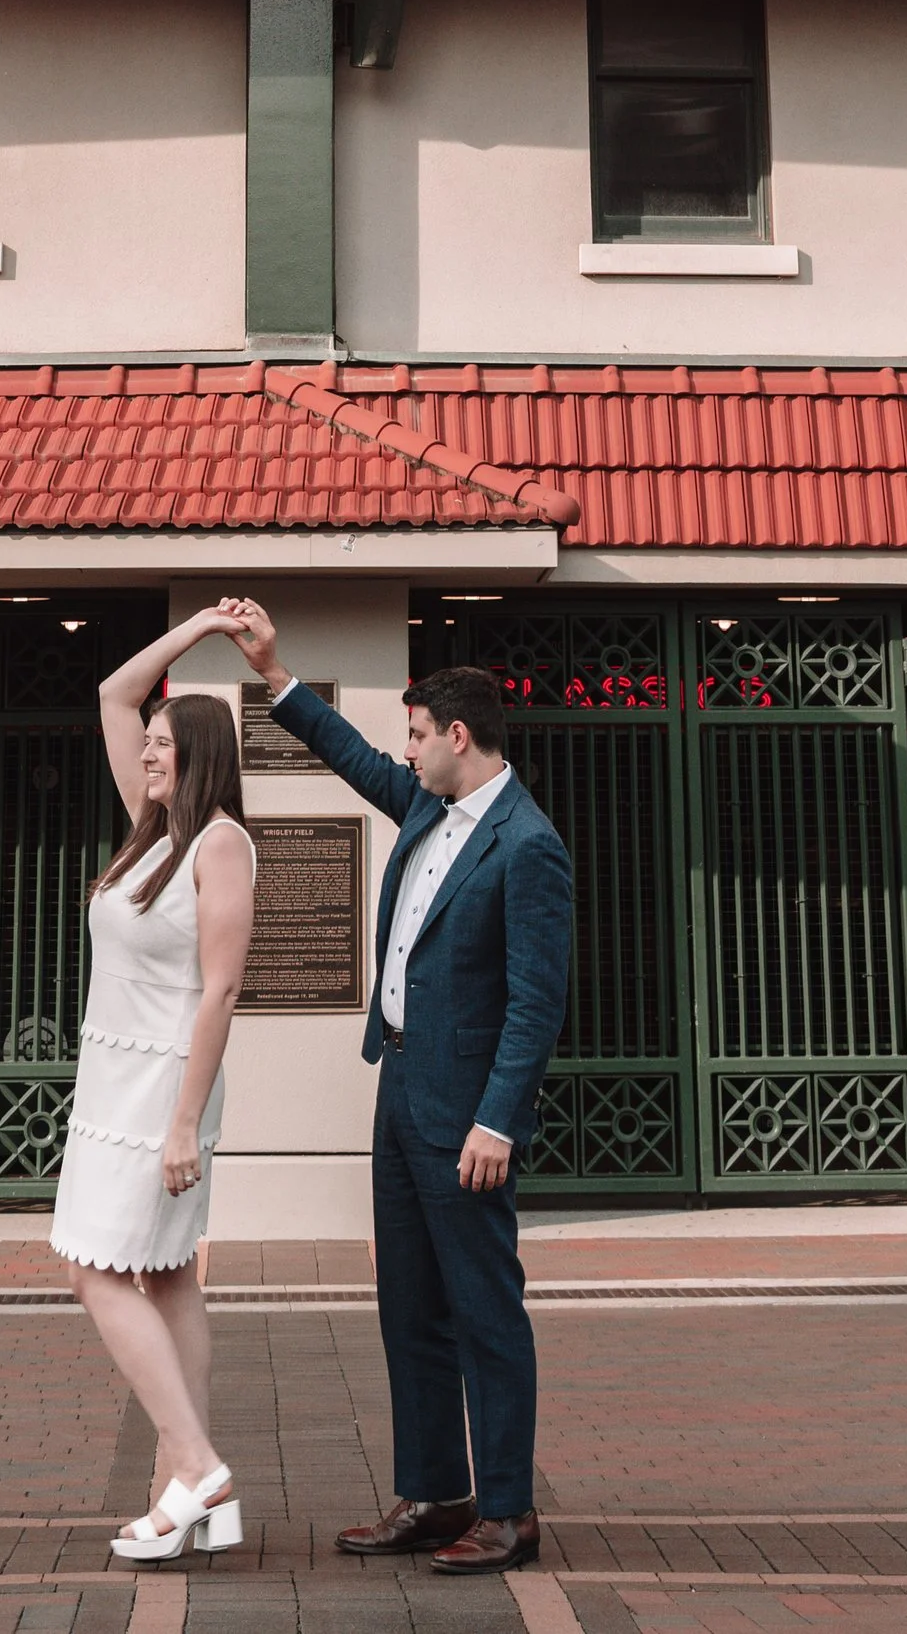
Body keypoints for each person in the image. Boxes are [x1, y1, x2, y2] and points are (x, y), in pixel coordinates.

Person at [217, 599, 571, 1574]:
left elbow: (536, 1004)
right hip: (401, 1087)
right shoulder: (427, 805)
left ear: (459, 735)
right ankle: (433, 1492)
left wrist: (499, 1118)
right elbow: (353, 759)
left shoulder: (527, 847)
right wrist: (275, 672)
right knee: (408, 1306)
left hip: (467, 1115)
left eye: (416, 734)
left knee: (484, 1309)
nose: (403, 751)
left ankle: (506, 1510)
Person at [50, 611, 259, 1567]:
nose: (149, 757)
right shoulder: (149, 830)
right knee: (168, 1273)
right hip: (112, 1080)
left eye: (167, 748)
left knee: (98, 1271)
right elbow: (113, 694)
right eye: (150, 748)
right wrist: (203, 626)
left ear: (204, 756)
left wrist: (185, 1125)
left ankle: (197, 1464)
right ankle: (191, 1489)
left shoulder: (219, 845)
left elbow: (220, 988)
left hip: (161, 1097)